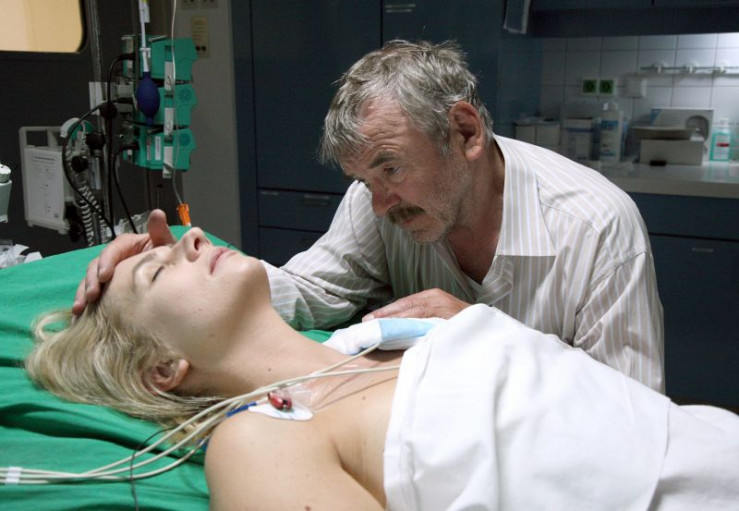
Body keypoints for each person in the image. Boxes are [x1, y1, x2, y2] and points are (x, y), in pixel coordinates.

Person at [74, 40, 664, 391]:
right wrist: (177, 275)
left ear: (464, 132)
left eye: (392, 169)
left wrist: (486, 337)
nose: (380, 203)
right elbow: (311, 291)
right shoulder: (378, 201)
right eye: (363, 180)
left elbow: (632, 407)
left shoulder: (596, 227)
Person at [29, 229, 738, 510]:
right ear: (163, 369)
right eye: (158, 271)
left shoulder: (382, 334)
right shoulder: (262, 438)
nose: (188, 237)